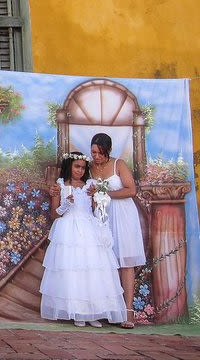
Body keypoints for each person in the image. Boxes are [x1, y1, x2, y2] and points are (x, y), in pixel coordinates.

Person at [40, 152, 126, 327]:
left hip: (89, 228)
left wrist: (97, 197)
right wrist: (66, 204)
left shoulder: (90, 185)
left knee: (92, 271)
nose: (80, 170)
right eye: (76, 166)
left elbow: (97, 210)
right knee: (73, 271)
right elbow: (54, 214)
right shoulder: (60, 186)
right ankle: (78, 312)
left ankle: (92, 312)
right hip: (68, 230)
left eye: (83, 167)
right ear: (69, 166)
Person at [90, 133, 146, 329]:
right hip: (102, 217)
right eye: (94, 152)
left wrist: (106, 194)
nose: (96, 156)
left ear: (108, 150)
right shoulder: (89, 167)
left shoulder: (118, 164)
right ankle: (108, 309)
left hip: (122, 216)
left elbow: (131, 190)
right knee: (104, 262)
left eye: (100, 153)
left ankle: (128, 311)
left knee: (125, 261)